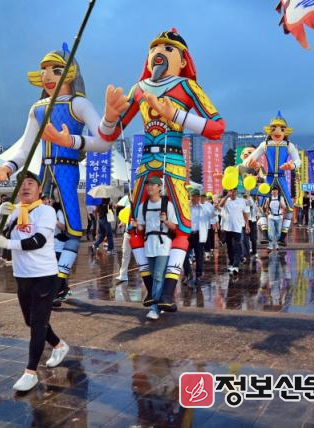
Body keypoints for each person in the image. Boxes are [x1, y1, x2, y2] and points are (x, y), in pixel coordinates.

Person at [99, 29, 225, 310]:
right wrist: (108, 117)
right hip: (145, 165)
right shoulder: (139, 89)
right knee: (134, 227)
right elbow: (109, 134)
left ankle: (168, 291)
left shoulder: (187, 87)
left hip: (174, 164)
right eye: (154, 48)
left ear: (183, 60)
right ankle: (150, 290)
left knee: (181, 227)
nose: (159, 53)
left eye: (168, 49)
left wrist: (176, 115)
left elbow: (217, 127)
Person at [0, 45, 111, 306]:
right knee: (37, 225)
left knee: (73, 229)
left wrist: (72, 140)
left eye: (56, 70)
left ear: (71, 73)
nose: (48, 76)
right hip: (43, 171)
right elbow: (25, 149)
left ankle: (58, 281)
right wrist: (7, 168)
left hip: (67, 169)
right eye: (44, 70)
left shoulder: (79, 104)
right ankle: (53, 282)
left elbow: (103, 143)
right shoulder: (38, 108)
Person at [0, 171, 69, 392]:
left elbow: (38, 241)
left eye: (30, 183)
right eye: (22, 183)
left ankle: (30, 372)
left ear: (39, 189)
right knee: (30, 321)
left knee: (38, 324)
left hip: (44, 275)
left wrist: (8, 244)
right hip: (22, 275)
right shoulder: (15, 210)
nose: (25, 187)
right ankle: (59, 345)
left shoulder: (46, 211)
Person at [243, 112, 300, 247]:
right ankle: (264, 234)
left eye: (281, 129)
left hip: (281, 177)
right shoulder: (265, 144)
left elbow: (298, 161)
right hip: (268, 177)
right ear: (270, 130)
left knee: (290, 208)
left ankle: (283, 237)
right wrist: (249, 163)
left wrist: (292, 165)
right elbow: (248, 160)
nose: (278, 132)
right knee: (260, 206)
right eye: (274, 128)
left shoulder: (289, 145)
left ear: (285, 131)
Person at [136, 177, 178, 319]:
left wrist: (165, 221)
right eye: (148, 184)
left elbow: (174, 226)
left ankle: (154, 309)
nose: (149, 187)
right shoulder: (143, 206)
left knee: (158, 276)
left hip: (163, 245)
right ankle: (162, 303)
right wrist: (136, 225)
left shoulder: (167, 205)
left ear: (160, 187)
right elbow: (141, 227)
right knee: (155, 276)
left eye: (153, 184)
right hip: (149, 245)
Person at [184, 189, 213, 284]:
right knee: (183, 255)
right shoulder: (185, 206)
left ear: (199, 197)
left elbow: (212, 215)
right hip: (187, 234)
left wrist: (216, 208)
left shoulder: (204, 208)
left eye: (197, 196)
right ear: (190, 196)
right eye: (193, 196)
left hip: (198, 234)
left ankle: (198, 275)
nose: (194, 198)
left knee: (199, 256)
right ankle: (188, 273)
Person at [219, 189, 250, 275]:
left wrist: (247, 225)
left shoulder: (241, 201)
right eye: (231, 191)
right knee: (229, 247)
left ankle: (236, 265)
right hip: (228, 228)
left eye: (234, 191)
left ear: (236, 192)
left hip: (237, 227)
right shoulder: (226, 200)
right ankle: (231, 262)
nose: (233, 193)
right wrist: (227, 196)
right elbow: (220, 205)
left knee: (237, 246)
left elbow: (245, 213)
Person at [264, 186, 286, 251]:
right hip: (271, 217)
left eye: (276, 190)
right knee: (271, 232)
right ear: (271, 192)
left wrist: (281, 203)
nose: (274, 191)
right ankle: (270, 246)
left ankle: (276, 245)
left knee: (278, 233)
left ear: (278, 191)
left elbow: (284, 207)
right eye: (273, 190)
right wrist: (266, 210)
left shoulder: (280, 198)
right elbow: (266, 207)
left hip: (279, 217)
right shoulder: (268, 198)